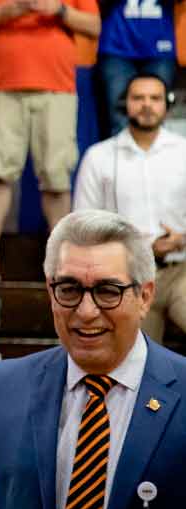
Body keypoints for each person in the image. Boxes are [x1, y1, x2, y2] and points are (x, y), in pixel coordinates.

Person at [0, 209, 186, 509]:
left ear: (145, 296)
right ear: (50, 291)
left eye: (108, 290)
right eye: (69, 289)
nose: (86, 311)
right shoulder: (3, 389)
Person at [0, 0, 101, 238]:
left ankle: (61, 268)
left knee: (56, 179)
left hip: (57, 88)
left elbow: (94, 27)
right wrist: (5, 10)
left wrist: (59, 10)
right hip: (1, 88)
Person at [74, 73, 186, 343]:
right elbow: (83, 226)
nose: (147, 104)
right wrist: (145, 248)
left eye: (155, 98)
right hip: (126, 278)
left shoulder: (183, 151)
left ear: (167, 103)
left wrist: (182, 240)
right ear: (125, 104)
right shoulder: (99, 156)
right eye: (138, 98)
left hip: (181, 270)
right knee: (134, 358)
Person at [93, 0, 184, 139]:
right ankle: (123, 160)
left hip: (160, 46)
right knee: (119, 116)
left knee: (156, 115)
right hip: (116, 45)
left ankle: (155, 159)